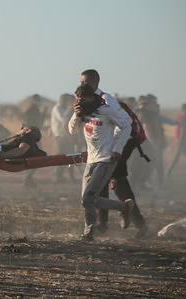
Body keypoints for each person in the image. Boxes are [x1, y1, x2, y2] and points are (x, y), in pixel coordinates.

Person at [79, 69, 149, 239]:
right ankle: (103, 225)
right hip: (107, 146)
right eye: (81, 82)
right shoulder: (85, 99)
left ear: (94, 84)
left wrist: (115, 149)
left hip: (122, 141)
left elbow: (125, 123)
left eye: (85, 83)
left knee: (116, 180)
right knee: (101, 184)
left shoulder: (106, 99)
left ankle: (137, 222)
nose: (81, 86)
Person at [68, 84, 133, 241]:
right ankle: (124, 207)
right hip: (91, 159)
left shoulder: (106, 110)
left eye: (82, 100)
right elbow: (72, 130)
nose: (79, 103)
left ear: (91, 97)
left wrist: (117, 149)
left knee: (88, 198)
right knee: (87, 199)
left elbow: (126, 126)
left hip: (106, 159)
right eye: (77, 100)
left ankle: (88, 233)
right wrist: (76, 115)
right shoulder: (82, 111)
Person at [51, 94, 75, 183]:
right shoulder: (57, 109)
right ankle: (56, 176)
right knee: (59, 156)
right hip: (59, 136)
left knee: (68, 156)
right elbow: (63, 120)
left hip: (65, 137)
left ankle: (68, 176)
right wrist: (69, 111)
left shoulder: (65, 109)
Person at [165, 103, 186, 177]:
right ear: (185, 109)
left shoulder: (180, 117)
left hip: (179, 140)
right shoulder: (184, 118)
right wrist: (181, 142)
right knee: (179, 157)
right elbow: (182, 130)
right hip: (181, 141)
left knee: (184, 157)